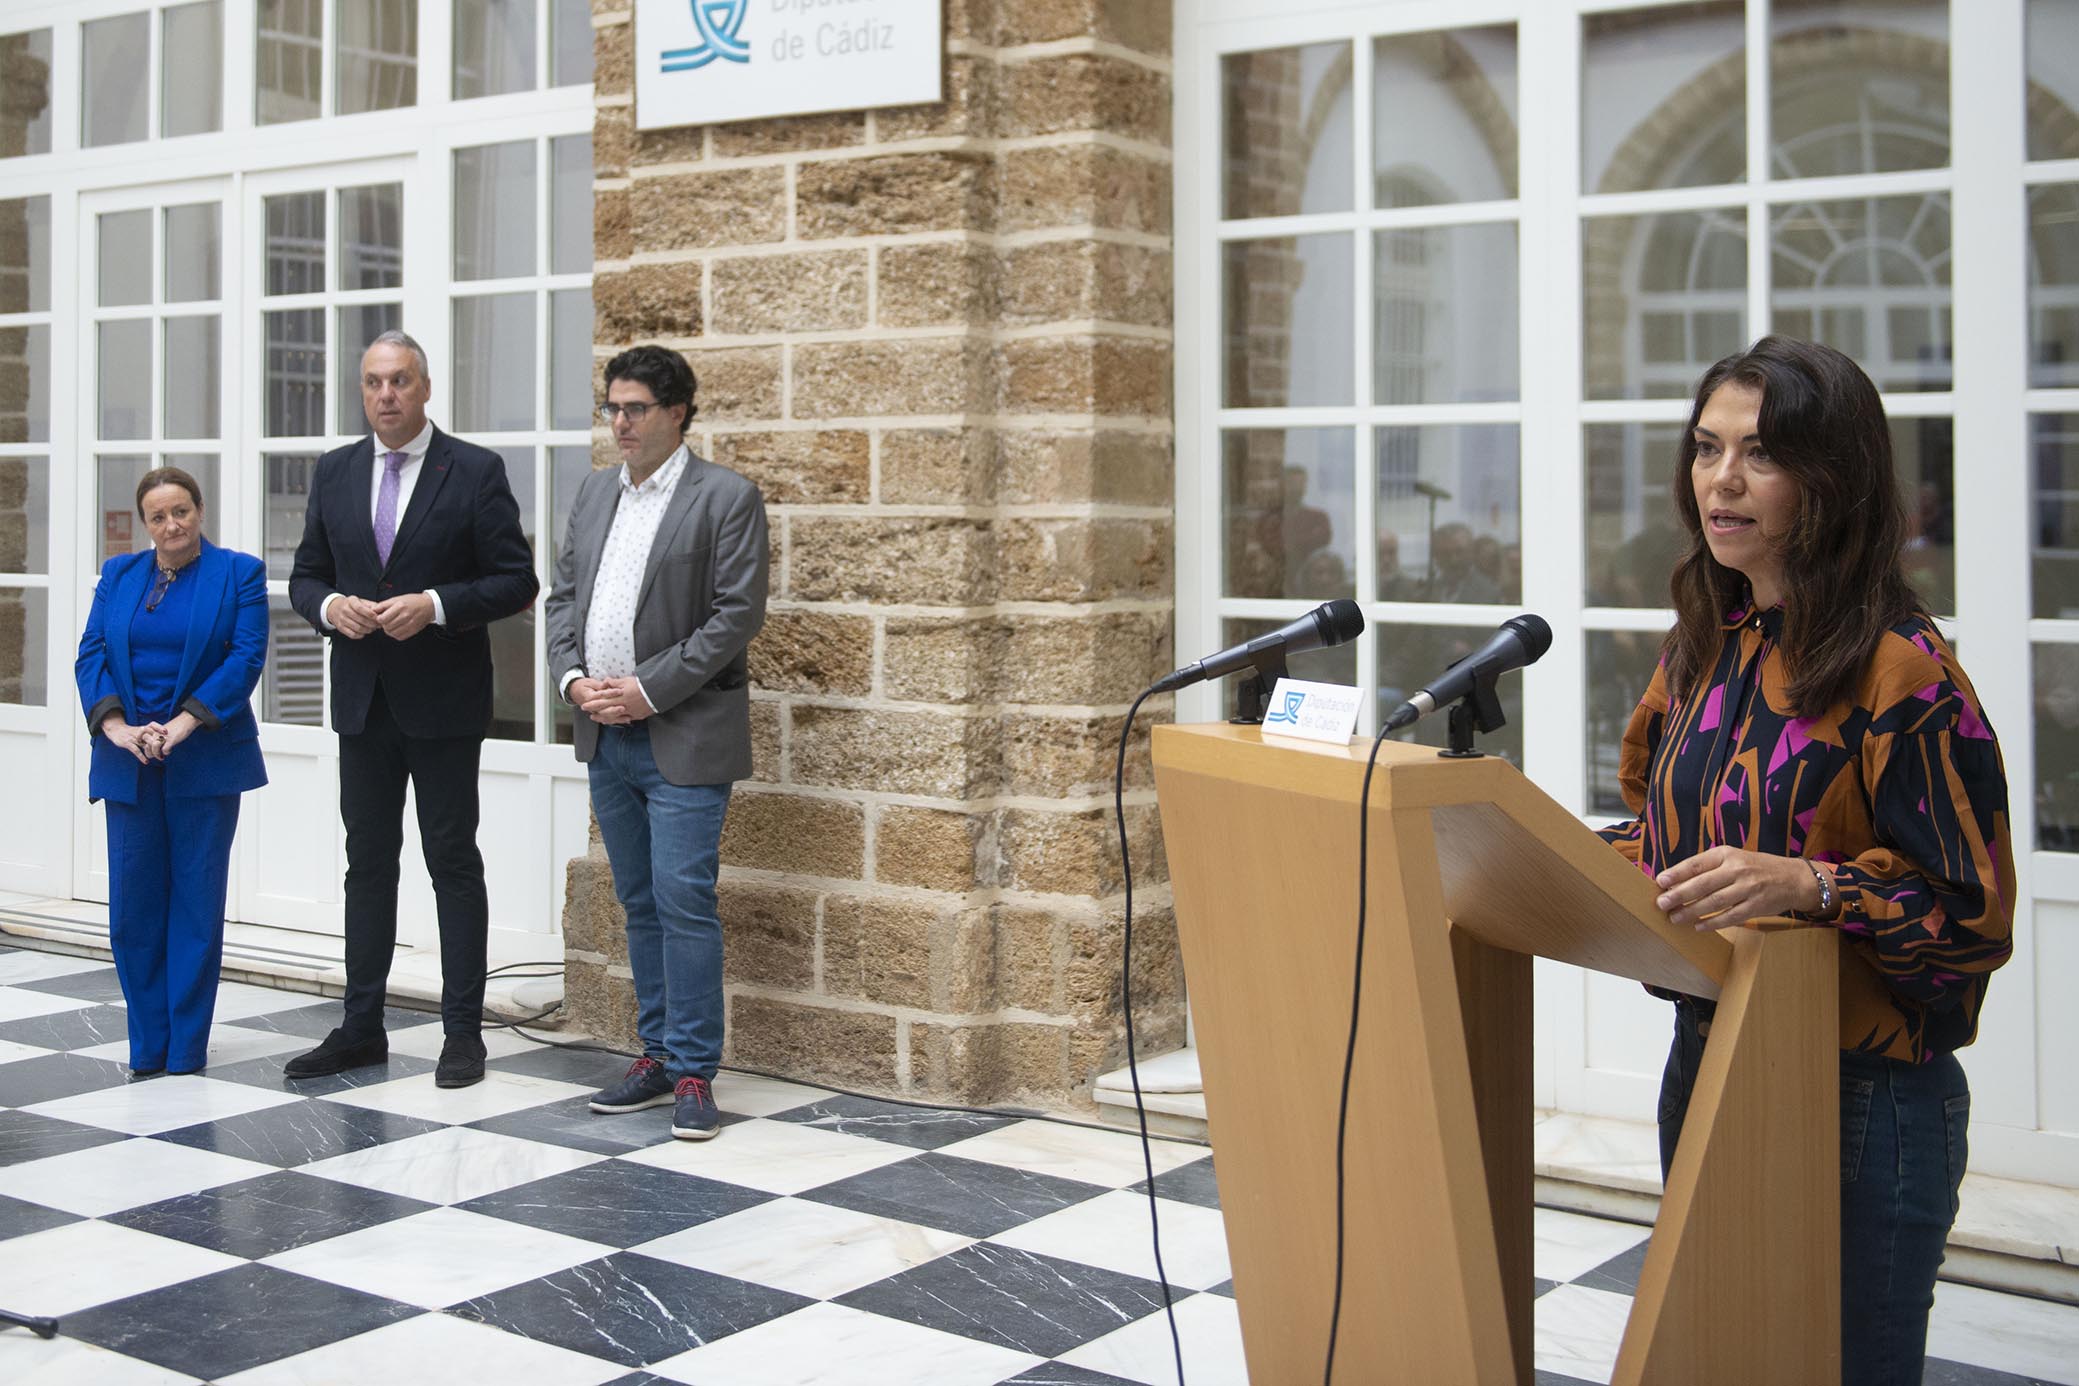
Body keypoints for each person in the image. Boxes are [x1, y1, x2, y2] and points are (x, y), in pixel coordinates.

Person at [1597, 337, 2012, 1386]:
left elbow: (1973, 916)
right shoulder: (1706, 641)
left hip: (1861, 1097)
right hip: (1711, 1053)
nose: (1720, 481)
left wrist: (1815, 884)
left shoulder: (1905, 673)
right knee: (1728, 1357)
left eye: (1761, 455)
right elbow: (1659, 823)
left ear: (1829, 480)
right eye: (1705, 448)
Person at [284, 330, 539, 1088]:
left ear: (424, 388)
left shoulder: (475, 470)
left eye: (399, 381)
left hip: (444, 704)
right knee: (367, 866)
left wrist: (431, 605)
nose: (386, 395)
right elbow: (303, 577)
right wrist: (332, 607)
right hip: (363, 703)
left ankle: (463, 1033)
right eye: (372, 383)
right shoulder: (333, 472)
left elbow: (514, 581)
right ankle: (360, 1028)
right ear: (361, 391)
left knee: (451, 862)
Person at [544, 344, 768, 1140]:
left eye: (635, 408)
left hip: (683, 734)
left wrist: (644, 688)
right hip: (604, 736)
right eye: (611, 407)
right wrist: (573, 681)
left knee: (683, 901)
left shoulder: (726, 498)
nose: (620, 422)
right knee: (638, 902)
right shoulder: (597, 494)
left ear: (677, 412)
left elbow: (733, 617)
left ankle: (695, 1075)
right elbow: (563, 598)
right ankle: (657, 1052)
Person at [74, 468, 268, 1076]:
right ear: (145, 523)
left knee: (195, 904)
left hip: (203, 758)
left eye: (180, 511)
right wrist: (117, 729)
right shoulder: (119, 575)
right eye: (158, 516)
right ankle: (146, 1043)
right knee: (133, 910)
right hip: (127, 759)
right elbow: (91, 654)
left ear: (200, 510)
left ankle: (185, 1046)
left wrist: (182, 725)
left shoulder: (239, 572)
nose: (171, 524)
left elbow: (244, 658)